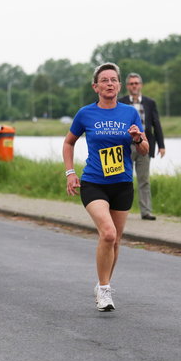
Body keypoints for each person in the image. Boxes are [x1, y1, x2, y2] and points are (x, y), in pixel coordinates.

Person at [63, 63, 149, 312]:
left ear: (119, 85)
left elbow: (144, 149)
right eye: (104, 80)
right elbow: (69, 143)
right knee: (108, 233)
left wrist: (138, 138)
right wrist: (70, 173)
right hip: (93, 183)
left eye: (114, 80)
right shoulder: (85, 114)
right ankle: (104, 290)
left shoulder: (130, 113)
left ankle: (104, 284)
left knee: (116, 240)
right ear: (96, 87)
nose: (109, 84)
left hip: (122, 182)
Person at [119, 73, 165, 220]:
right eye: (131, 83)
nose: (134, 86)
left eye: (136, 83)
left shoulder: (149, 103)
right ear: (127, 86)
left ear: (141, 85)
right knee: (123, 179)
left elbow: (156, 124)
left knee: (144, 180)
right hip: (125, 146)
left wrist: (161, 145)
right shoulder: (121, 102)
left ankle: (146, 211)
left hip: (145, 146)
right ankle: (120, 209)